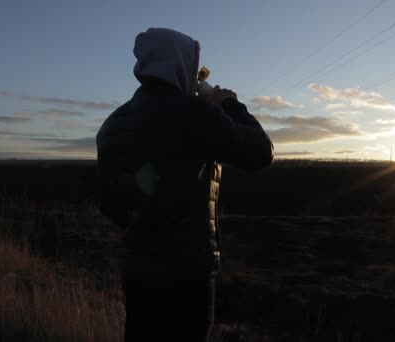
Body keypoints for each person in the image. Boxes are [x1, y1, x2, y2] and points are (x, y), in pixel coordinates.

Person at [96, 28, 274, 342]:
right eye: (197, 69)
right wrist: (229, 104)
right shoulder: (196, 114)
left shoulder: (112, 124)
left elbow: (109, 203)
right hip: (187, 276)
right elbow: (260, 152)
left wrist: (146, 227)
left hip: (137, 271)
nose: (197, 78)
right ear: (181, 65)